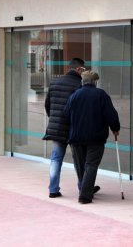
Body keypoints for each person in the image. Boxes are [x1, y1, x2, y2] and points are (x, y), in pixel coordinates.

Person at [43, 58, 100, 198]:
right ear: (79, 69)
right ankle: (83, 188)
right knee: (79, 161)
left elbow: (47, 105)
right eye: (84, 70)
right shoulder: (78, 85)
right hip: (74, 129)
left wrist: (54, 119)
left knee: (56, 159)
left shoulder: (54, 82)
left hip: (56, 128)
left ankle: (53, 190)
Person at [64, 71, 120, 204]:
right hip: (96, 137)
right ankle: (85, 195)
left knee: (80, 166)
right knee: (91, 165)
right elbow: (111, 114)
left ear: (82, 82)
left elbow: (66, 113)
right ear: (95, 82)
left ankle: (85, 189)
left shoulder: (74, 95)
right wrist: (115, 128)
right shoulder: (101, 94)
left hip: (76, 137)